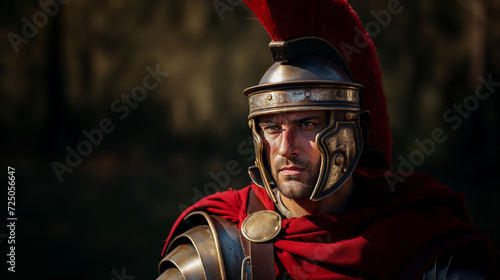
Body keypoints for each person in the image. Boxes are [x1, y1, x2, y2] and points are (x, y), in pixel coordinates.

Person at [156, 0, 499, 279]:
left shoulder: (425, 244)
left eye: (306, 124)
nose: (286, 147)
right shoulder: (217, 253)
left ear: (351, 132)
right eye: (272, 128)